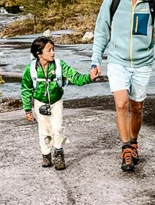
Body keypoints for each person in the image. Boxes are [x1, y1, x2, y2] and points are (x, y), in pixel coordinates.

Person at [91, 0, 155, 172]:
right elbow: (101, 32)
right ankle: (126, 147)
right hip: (117, 61)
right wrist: (95, 60)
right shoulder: (112, 1)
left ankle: (134, 142)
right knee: (121, 104)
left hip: (143, 64)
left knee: (136, 106)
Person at [21, 36, 100, 170]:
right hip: (39, 103)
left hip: (56, 102)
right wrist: (27, 109)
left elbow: (76, 78)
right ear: (39, 53)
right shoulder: (31, 70)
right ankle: (46, 155)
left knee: (58, 128)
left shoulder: (59, 66)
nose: (53, 53)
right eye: (49, 50)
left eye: (53, 49)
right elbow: (26, 89)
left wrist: (89, 77)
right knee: (44, 130)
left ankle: (58, 153)